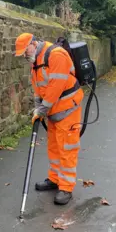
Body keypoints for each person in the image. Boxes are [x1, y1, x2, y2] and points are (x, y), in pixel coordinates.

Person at [14, 33, 84, 205]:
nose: (24, 55)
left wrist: (42, 109)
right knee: (54, 146)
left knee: (66, 147)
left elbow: (56, 86)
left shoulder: (56, 54)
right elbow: (38, 87)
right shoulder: (35, 61)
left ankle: (66, 187)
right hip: (53, 109)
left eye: (25, 50)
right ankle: (54, 179)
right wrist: (38, 107)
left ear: (33, 43)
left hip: (68, 107)